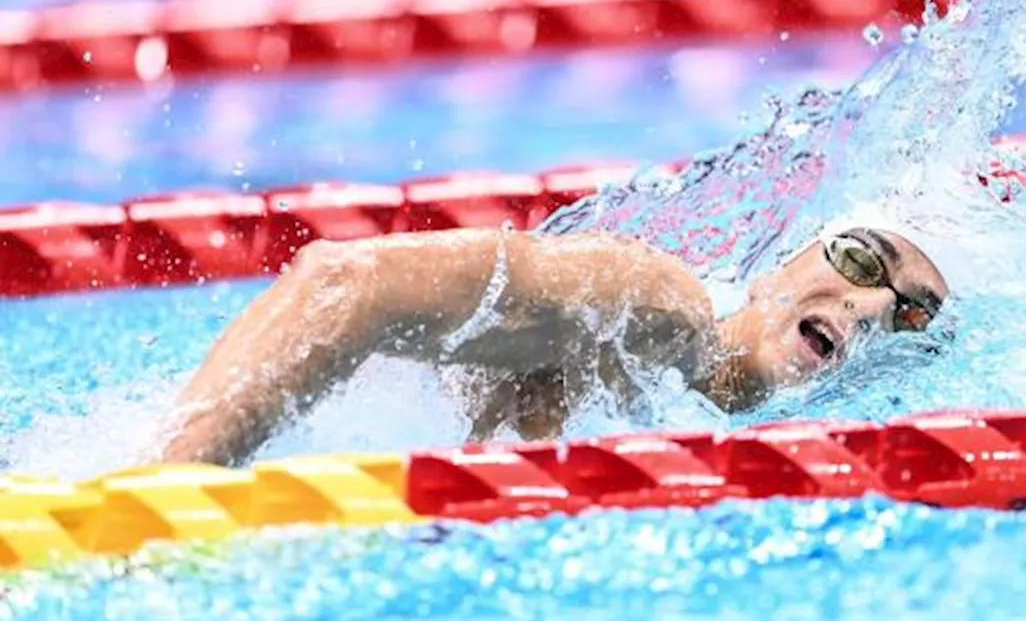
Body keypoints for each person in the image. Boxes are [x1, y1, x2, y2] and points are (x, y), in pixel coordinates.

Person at [154, 220, 949, 466]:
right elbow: (344, 284)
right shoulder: (657, 313)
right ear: (783, 262)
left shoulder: (743, 441)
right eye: (860, 258)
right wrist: (166, 493)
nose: (873, 305)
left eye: (911, 313)